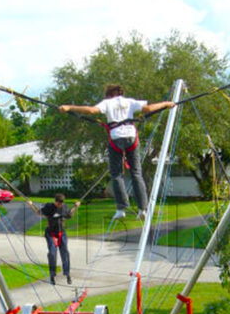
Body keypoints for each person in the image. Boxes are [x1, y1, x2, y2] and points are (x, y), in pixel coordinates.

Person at [59, 84, 176, 220]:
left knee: (116, 174)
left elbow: (91, 111)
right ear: (120, 93)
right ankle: (143, 209)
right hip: (132, 138)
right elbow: (149, 108)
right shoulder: (130, 101)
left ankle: (121, 209)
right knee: (136, 173)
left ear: (109, 94)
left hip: (116, 139)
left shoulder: (107, 102)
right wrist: (167, 103)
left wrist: (69, 107)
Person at [29, 193, 80, 285]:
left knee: (65, 253)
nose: (59, 205)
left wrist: (76, 206)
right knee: (52, 253)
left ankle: (67, 274)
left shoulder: (64, 207)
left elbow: (70, 215)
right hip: (50, 233)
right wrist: (31, 204)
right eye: (58, 203)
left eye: (61, 203)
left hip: (61, 233)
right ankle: (52, 275)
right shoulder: (48, 207)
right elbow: (38, 212)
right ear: (55, 201)